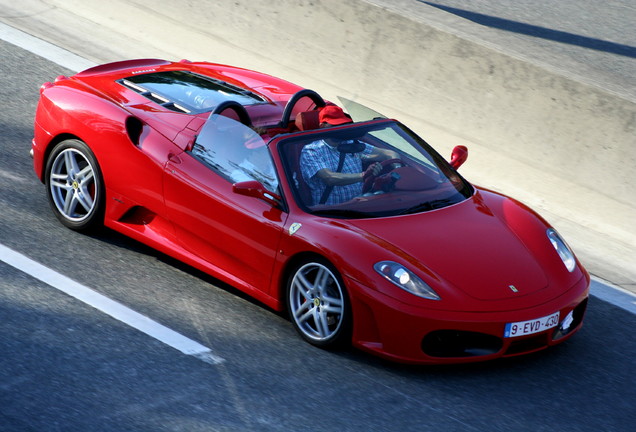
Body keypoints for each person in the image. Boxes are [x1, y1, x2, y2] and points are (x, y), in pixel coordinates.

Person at [300, 105, 398, 205]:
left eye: (342, 124)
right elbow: (330, 178)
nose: (340, 129)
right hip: (331, 213)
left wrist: (398, 169)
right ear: (322, 126)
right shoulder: (311, 151)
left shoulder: (351, 142)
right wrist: (364, 175)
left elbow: (389, 153)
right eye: (335, 125)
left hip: (360, 205)